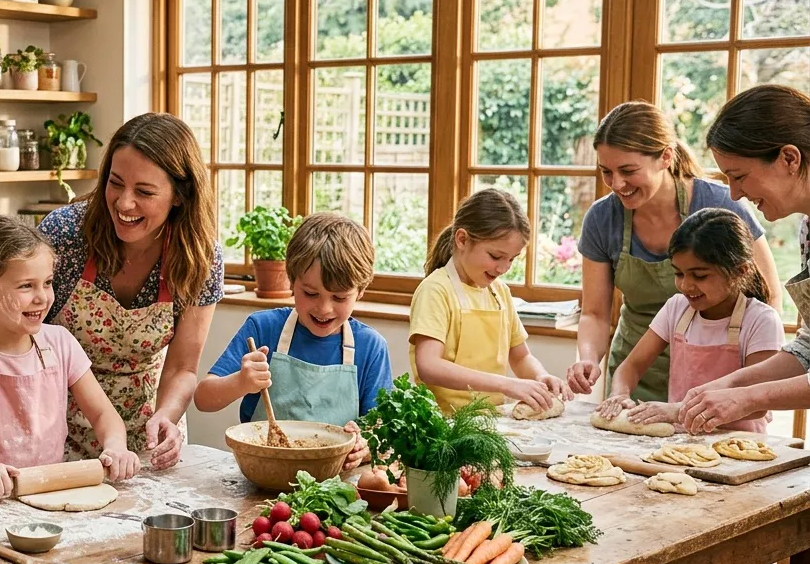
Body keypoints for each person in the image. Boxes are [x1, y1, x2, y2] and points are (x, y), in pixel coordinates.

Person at [599, 209, 779, 564]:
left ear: (739, 270)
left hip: (740, 480)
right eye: (679, 273)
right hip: (682, 471)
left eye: (699, 275)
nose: (685, 286)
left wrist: (676, 410)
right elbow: (629, 367)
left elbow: (754, 402)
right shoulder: (677, 310)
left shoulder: (760, 321)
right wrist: (619, 392)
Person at [40, 112, 223, 469]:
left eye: (144, 192)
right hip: (55, 432)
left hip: (147, 439)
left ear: (179, 196)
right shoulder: (66, 235)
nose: (124, 203)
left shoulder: (199, 257)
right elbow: (22, 341)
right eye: (115, 183)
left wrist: (167, 416)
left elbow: (182, 368)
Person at [565, 101, 779, 403]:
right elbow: (595, 313)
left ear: (665, 157)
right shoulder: (602, 219)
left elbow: (767, 296)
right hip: (635, 374)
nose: (616, 184)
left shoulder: (722, 204)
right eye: (606, 172)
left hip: (717, 381)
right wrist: (588, 358)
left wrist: (751, 382)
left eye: (628, 170)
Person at [0, 216, 140, 497]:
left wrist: (116, 446)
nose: (42, 297)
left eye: (47, 283)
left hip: (48, 496)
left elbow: (103, 413)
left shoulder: (60, 343)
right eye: (26, 286)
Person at [194, 212, 389, 468]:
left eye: (339, 298)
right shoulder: (264, 329)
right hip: (263, 474)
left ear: (360, 291)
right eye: (310, 293)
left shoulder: (370, 347)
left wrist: (364, 447)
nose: (324, 308)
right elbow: (203, 399)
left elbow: (384, 437)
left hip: (335, 485)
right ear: (291, 280)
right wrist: (240, 382)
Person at [680, 84, 810, 431]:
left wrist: (750, 398)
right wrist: (730, 384)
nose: (735, 194)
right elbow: (808, 348)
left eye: (738, 177)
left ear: (789, 159)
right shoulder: (807, 229)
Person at [409, 188, 567, 413]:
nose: (503, 268)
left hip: (492, 420)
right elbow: (429, 366)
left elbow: (521, 357)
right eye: (495, 256)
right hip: (446, 423)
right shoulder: (436, 290)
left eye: (511, 259)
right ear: (462, 239)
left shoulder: (500, 293)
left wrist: (540, 376)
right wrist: (506, 384)